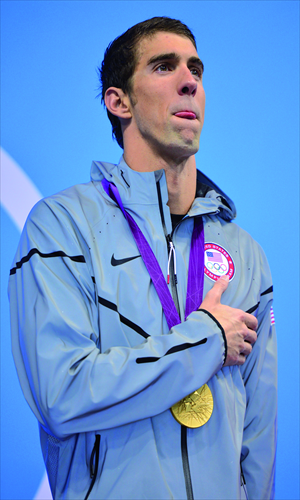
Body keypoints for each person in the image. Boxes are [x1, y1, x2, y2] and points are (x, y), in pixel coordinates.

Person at [9, 16, 277, 500]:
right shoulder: (62, 225)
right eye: (164, 66)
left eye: (195, 68)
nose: (189, 81)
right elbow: (63, 396)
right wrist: (205, 340)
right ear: (119, 101)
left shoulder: (245, 253)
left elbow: (257, 434)